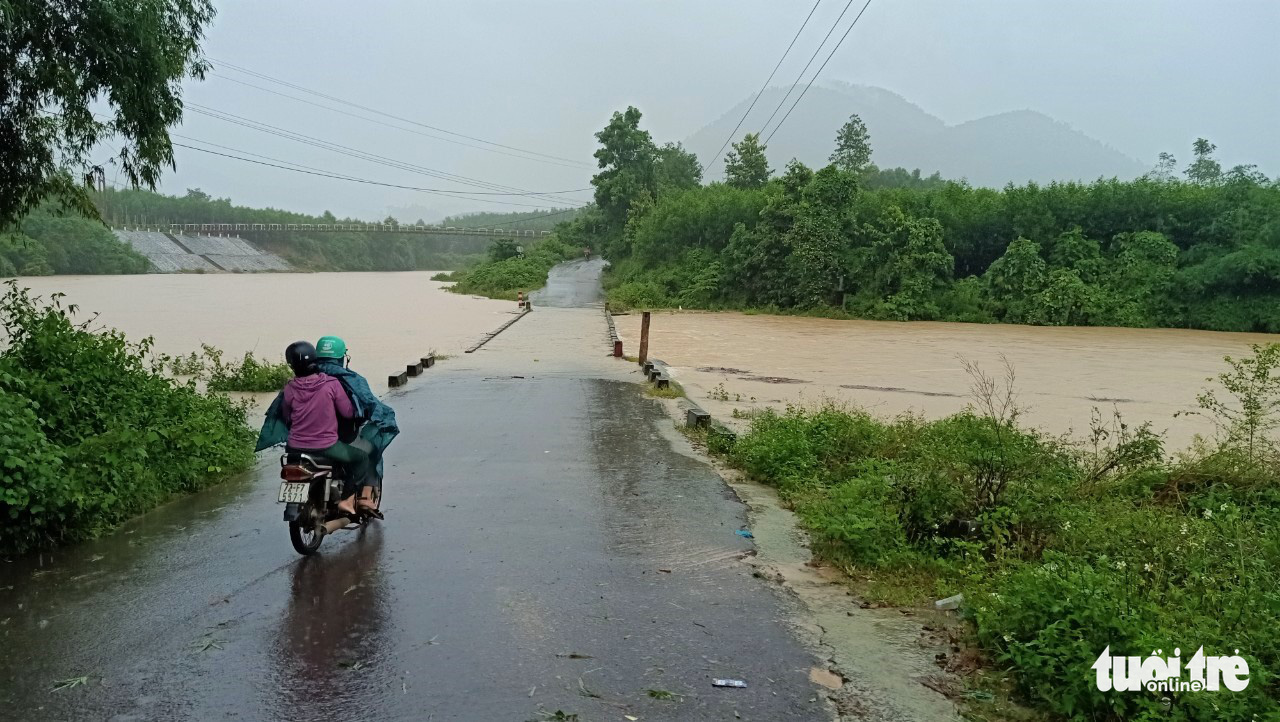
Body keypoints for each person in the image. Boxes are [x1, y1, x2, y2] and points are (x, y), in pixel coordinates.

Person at [280, 340, 370, 516]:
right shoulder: (331, 384)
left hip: (293, 447)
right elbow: (347, 412)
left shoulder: (290, 388)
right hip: (326, 446)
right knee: (362, 458)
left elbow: (286, 416)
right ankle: (347, 499)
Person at [312, 335, 398, 514]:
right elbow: (360, 407)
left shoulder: (300, 380)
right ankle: (364, 498)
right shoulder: (347, 380)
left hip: (299, 442)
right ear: (342, 357)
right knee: (371, 451)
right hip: (336, 440)